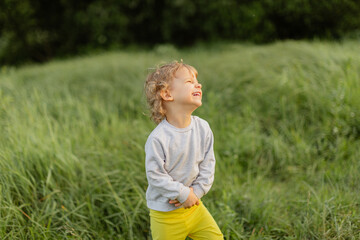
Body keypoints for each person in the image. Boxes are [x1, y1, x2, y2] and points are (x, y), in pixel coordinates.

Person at [143, 60, 224, 239]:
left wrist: (196, 192)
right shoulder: (159, 138)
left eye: (197, 81)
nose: (198, 84)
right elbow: (155, 175)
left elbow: (208, 165)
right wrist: (181, 193)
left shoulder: (203, 128)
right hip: (166, 216)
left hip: (195, 207)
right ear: (167, 94)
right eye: (189, 82)